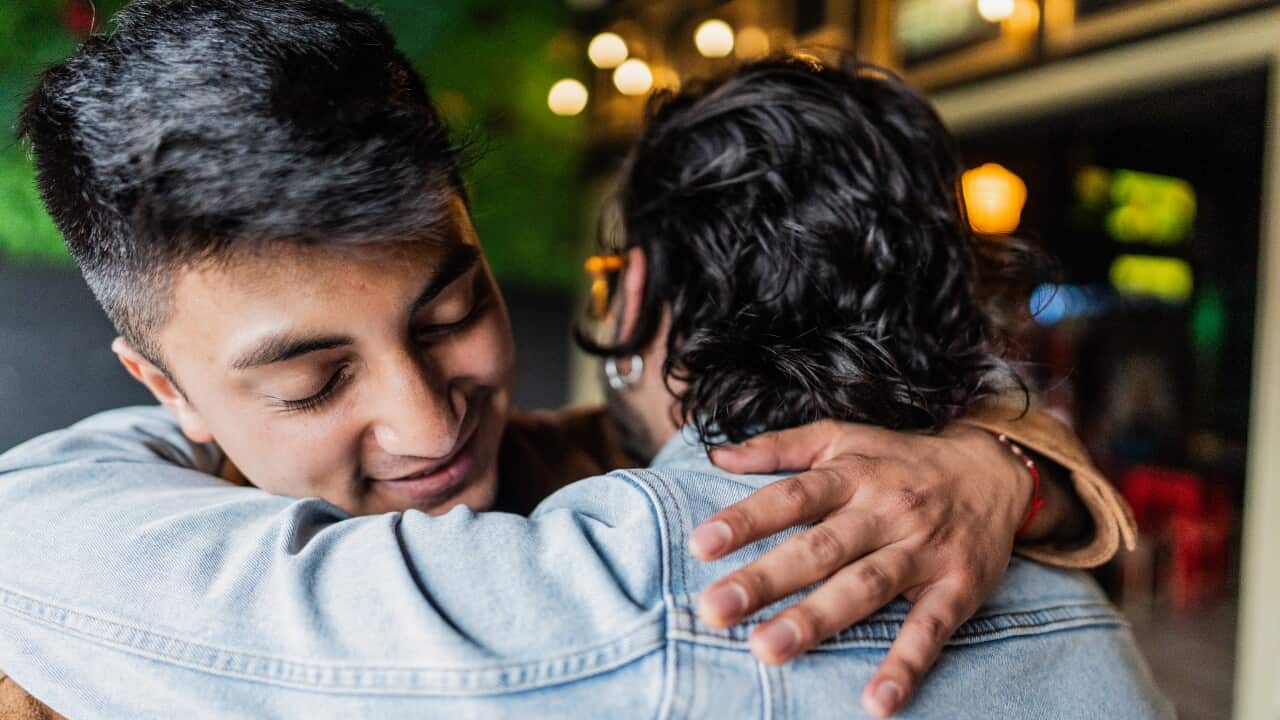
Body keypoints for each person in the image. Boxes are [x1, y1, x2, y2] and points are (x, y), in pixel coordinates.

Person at [0, 1, 1142, 717]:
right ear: (164, 387)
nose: (428, 423)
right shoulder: (71, 663)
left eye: (451, 314)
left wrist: (999, 464)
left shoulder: (600, 475)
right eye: (315, 382)